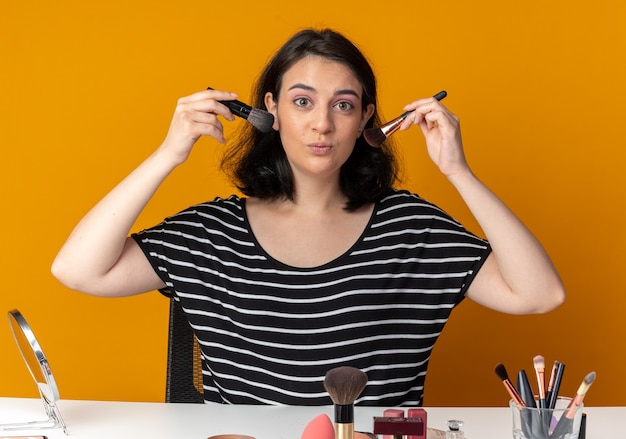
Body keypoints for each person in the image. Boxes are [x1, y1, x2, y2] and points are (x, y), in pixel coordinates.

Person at [51, 28, 565, 406]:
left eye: (343, 105)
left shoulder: (410, 228)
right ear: (270, 110)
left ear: (367, 117)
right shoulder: (213, 233)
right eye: (303, 101)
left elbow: (540, 295)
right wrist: (168, 153)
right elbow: (79, 270)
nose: (322, 123)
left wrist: (460, 172)